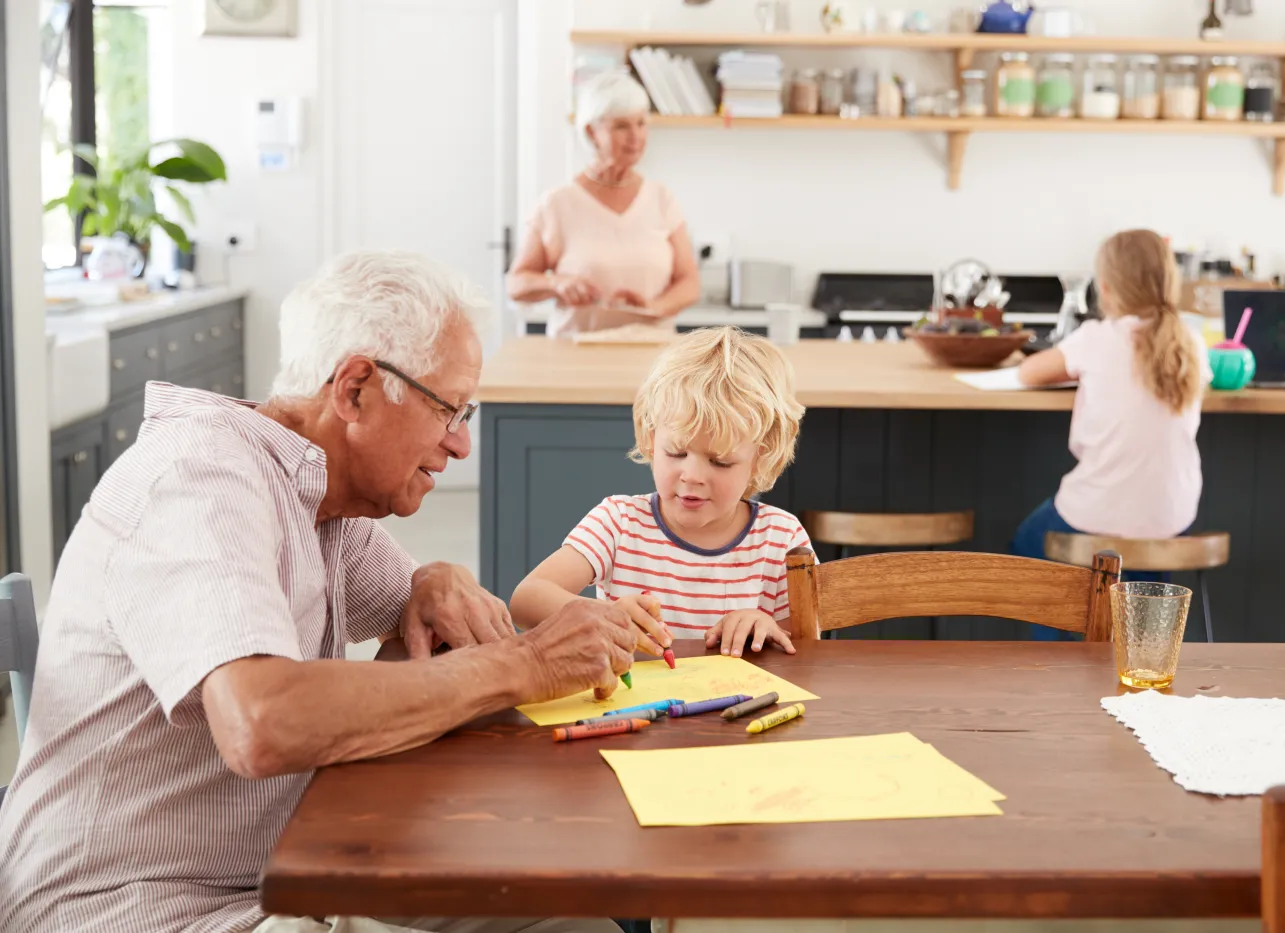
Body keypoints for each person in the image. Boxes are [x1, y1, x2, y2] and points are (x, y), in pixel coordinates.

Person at [0, 251, 630, 933]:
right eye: (450, 409)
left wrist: (437, 578)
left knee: (570, 908)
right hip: (135, 907)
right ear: (355, 387)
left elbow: (434, 638)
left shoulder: (326, 502)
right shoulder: (198, 479)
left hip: (283, 871)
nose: (460, 444)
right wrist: (525, 665)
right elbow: (262, 723)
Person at [511, 327, 810, 657]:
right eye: (677, 453)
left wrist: (766, 626)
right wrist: (604, 617)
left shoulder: (782, 538)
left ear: (761, 457)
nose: (692, 476)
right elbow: (526, 600)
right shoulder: (618, 523)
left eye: (720, 461)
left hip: (742, 706)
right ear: (652, 440)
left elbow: (808, 648)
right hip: (630, 705)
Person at [1012, 229, 1212, 639]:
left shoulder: (1096, 338)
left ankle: (1053, 665)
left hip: (1093, 518)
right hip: (1169, 524)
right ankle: (1138, 651)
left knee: (1030, 541)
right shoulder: (1191, 343)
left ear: (1105, 287)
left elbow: (1028, 372)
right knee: (1134, 572)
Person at [506, 72, 700, 337]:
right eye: (621, 126)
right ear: (591, 132)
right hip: (576, 359)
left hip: (654, 360)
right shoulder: (557, 204)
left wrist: (654, 307)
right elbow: (516, 284)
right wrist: (557, 283)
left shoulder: (661, 199)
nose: (636, 136)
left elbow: (689, 282)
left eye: (641, 123)